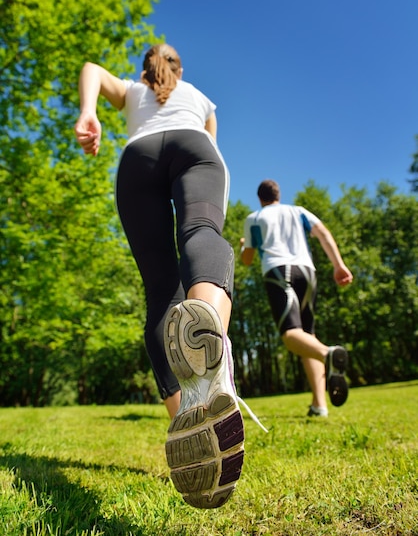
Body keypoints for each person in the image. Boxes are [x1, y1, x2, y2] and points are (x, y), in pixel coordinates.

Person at [74, 44, 244, 509]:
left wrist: (90, 112)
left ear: (146, 67)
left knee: (159, 291)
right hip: (194, 148)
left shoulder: (131, 91)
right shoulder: (198, 96)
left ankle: (188, 421)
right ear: (179, 67)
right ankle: (207, 322)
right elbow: (212, 137)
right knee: (201, 231)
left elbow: (91, 67)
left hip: (137, 159)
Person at [240, 179, 353, 417]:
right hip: (307, 271)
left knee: (291, 335)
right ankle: (319, 405)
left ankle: (329, 354)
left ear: (260, 198)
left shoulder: (254, 218)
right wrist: (338, 265)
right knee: (306, 338)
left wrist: (243, 246)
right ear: (278, 195)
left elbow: (247, 259)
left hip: (279, 271)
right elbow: (322, 232)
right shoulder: (298, 211)